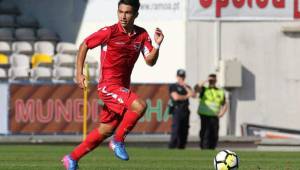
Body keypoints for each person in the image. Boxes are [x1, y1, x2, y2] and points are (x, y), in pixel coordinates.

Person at [62, 0, 164, 169]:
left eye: (128, 13)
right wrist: (79, 73)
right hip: (108, 86)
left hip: (122, 88)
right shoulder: (109, 32)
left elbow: (150, 61)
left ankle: (71, 158)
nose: (123, 16)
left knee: (105, 129)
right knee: (139, 106)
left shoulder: (142, 35)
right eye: (120, 12)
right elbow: (85, 45)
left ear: (136, 14)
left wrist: (158, 45)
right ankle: (118, 141)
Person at [194, 74, 228, 149]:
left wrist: (222, 113)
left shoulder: (220, 91)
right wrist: (205, 80)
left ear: (216, 80)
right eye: (211, 80)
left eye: (213, 80)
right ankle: (204, 148)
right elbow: (196, 89)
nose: (212, 81)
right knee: (205, 134)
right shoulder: (204, 89)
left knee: (214, 134)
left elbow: (224, 103)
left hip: (214, 116)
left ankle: (212, 149)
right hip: (204, 115)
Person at [168, 69, 194, 149]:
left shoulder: (187, 86)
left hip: (185, 110)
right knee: (176, 129)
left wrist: (185, 87)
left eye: (183, 77)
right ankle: (172, 147)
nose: (181, 79)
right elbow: (176, 97)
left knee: (184, 130)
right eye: (180, 77)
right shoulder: (173, 86)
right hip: (177, 110)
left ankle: (181, 147)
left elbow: (193, 94)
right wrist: (187, 96)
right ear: (177, 77)